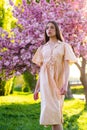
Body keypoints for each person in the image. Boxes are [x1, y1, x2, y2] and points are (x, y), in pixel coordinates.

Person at [32, 21, 77, 130]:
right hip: (45, 83)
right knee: (52, 114)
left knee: (56, 112)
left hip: (58, 82)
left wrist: (65, 85)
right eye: (47, 28)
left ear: (56, 30)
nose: (49, 30)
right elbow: (41, 70)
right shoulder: (42, 48)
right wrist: (36, 89)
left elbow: (66, 67)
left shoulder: (64, 46)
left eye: (52, 27)